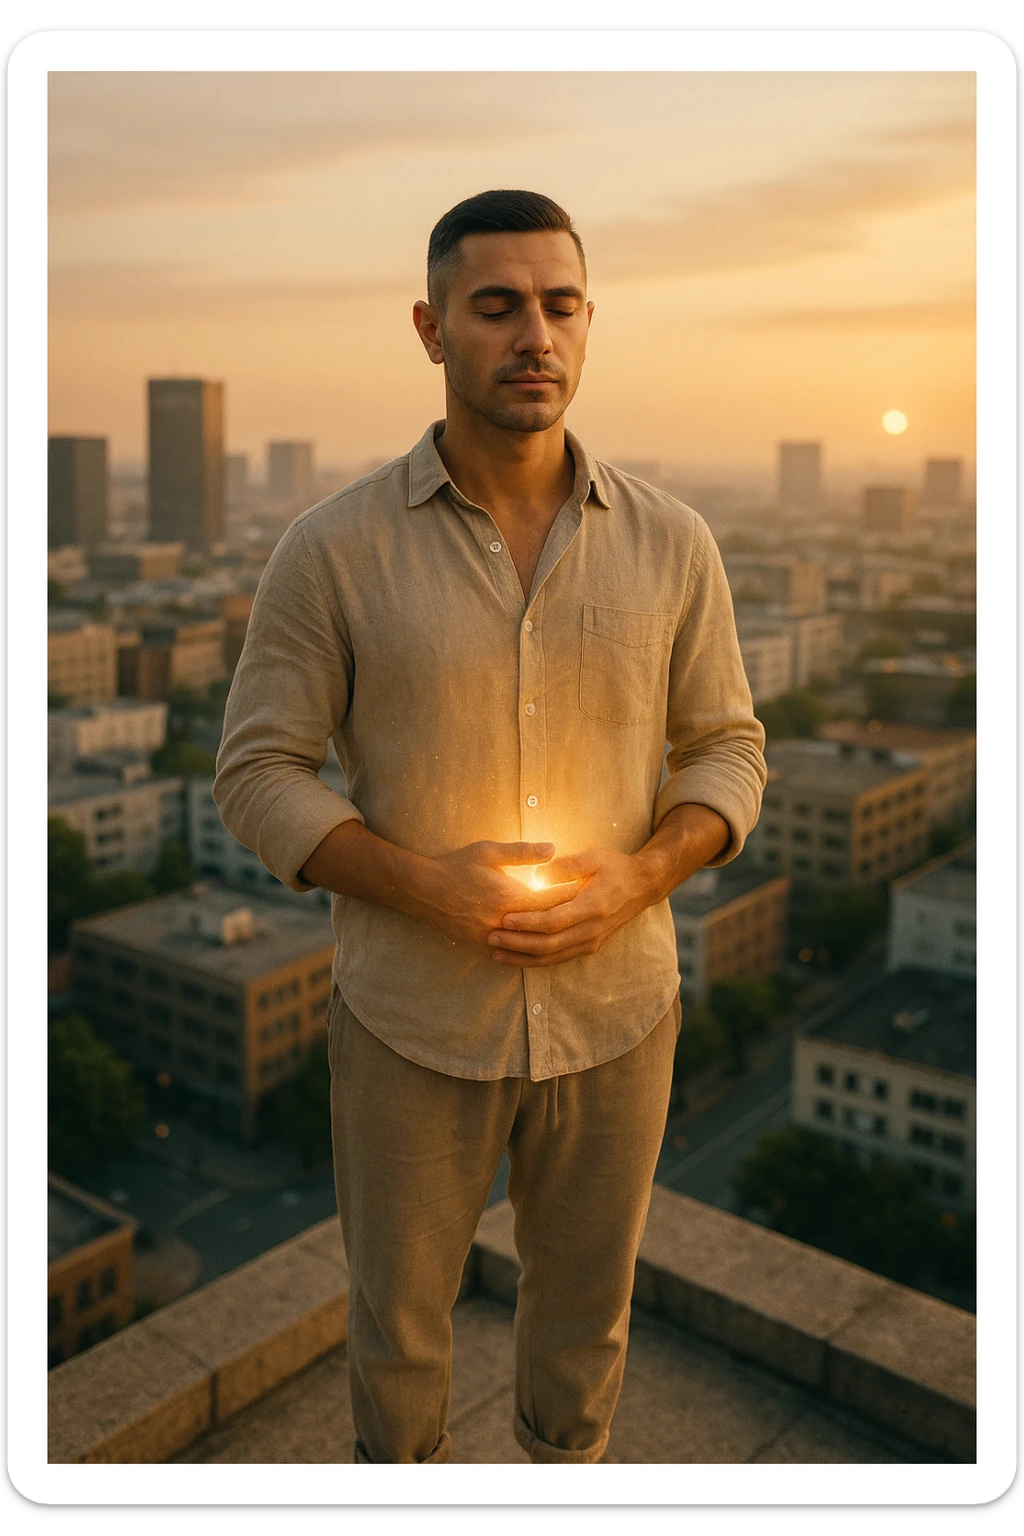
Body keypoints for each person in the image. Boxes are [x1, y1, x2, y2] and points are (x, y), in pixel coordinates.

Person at [214, 189, 767, 1465]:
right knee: (399, 1334)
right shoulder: (331, 550)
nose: (535, 336)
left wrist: (642, 874)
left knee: (584, 1328)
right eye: (497, 306)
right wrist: (428, 889)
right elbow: (259, 771)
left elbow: (728, 747)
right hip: (412, 1021)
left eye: (560, 306)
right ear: (430, 327)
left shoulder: (675, 545)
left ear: (589, 324)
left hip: (617, 1018)